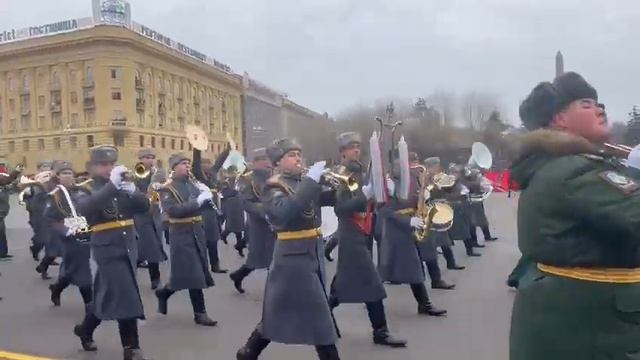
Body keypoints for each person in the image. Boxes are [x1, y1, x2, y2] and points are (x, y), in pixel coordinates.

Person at [509, 72, 640, 359]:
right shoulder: (573, 170)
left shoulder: (564, 164)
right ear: (559, 119)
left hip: (580, 325)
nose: (600, 108)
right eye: (586, 103)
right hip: (593, 332)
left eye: (598, 102)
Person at [236, 138, 340, 360]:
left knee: (279, 311)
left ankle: (249, 351)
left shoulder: (303, 182)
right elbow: (284, 213)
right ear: (278, 162)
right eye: (291, 155)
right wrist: (311, 182)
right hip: (292, 258)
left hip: (311, 254)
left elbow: (329, 199)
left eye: (299, 154)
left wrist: (353, 191)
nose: (298, 159)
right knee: (321, 318)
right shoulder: (274, 186)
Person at [328, 132, 406, 348]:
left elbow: (369, 203)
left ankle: (324, 313)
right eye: (351, 147)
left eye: (358, 146)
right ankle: (380, 332)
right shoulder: (339, 174)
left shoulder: (360, 170)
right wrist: (365, 194)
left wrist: (382, 193)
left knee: (343, 284)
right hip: (351, 233)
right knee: (372, 282)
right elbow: (340, 209)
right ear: (342, 152)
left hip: (364, 230)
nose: (356, 150)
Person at [73, 145, 150, 360]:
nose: (109, 168)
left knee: (107, 295)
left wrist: (134, 191)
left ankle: (86, 328)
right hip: (106, 249)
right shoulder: (85, 188)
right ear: (93, 167)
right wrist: (112, 187)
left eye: (112, 164)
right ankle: (131, 347)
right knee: (126, 294)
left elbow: (144, 207)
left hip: (128, 246)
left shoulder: (122, 185)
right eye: (104, 164)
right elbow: (85, 210)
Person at [377, 157, 447, 317]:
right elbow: (384, 211)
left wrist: (423, 197)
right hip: (397, 232)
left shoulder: (410, 181)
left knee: (400, 268)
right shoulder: (387, 185)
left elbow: (415, 200)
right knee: (406, 267)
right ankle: (424, 304)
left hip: (409, 229)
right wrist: (409, 221)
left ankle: (424, 304)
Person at [155, 153, 217, 327]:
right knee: (194, 274)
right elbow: (173, 210)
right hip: (180, 233)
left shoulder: (193, 184)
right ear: (174, 167)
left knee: (186, 275)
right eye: (183, 164)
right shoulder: (167, 188)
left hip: (197, 231)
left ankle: (164, 293)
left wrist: (207, 196)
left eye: (188, 163)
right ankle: (200, 313)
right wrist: (198, 202)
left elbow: (201, 204)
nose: (187, 166)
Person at [44, 161, 93, 308]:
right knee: (82, 270)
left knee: (74, 269)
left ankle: (57, 287)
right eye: (64, 173)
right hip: (69, 237)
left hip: (86, 233)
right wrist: (66, 230)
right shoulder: (54, 195)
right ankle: (90, 306)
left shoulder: (82, 191)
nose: (68, 176)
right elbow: (49, 219)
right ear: (57, 176)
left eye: (70, 172)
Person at [229, 148, 276, 293]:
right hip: (258, 224)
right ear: (255, 163)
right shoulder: (247, 179)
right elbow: (246, 203)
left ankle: (275, 289)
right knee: (257, 257)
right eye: (263, 160)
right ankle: (239, 275)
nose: (267, 163)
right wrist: (264, 211)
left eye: (269, 160)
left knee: (274, 257)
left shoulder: (275, 177)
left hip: (276, 222)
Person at [132, 148, 168, 290]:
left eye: (152, 157)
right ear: (140, 159)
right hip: (142, 213)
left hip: (155, 213)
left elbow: (160, 190)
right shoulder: (137, 173)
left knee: (147, 244)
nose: (150, 160)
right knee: (151, 244)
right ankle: (155, 278)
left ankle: (132, 266)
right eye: (146, 157)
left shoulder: (156, 172)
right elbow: (138, 192)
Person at [192, 144, 230, 273]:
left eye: (208, 164)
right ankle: (202, 267)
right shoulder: (198, 176)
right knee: (203, 242)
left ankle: (215, 265)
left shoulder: (212, 174)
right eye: (204, 164)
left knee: (213, 241)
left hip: (213, 213)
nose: (207, 166)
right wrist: (196, 146)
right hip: (202, 212)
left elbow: (219, 161)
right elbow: (196, 163)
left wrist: (228, 149)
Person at [23, 161, 53, 261]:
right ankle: (35, 249)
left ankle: (49, 258)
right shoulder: (33, 181)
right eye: (45, 166)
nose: (47, 167)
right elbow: (27, 198)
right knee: (41, 238)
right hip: (38, 211)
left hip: (51, 209)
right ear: (39, 168)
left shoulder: (52, 178)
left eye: (49, 166)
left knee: (51, 235)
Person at [0, 164, 22, 261]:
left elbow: (9, 184)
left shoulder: (3, 188)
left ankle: (3, 253)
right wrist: (15, 172)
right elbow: (6, 180)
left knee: (2, 232)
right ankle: (2, 253)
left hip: (2, 214)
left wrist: (15, 183)